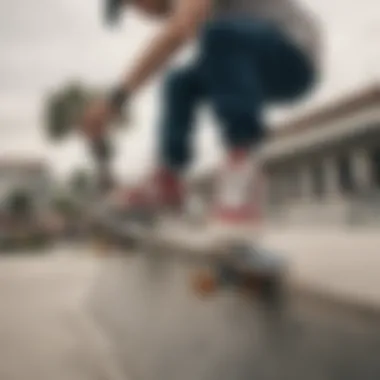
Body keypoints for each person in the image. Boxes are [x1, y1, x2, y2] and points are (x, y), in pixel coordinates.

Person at [82, 0, 321, 236]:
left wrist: (114, 100)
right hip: (254, 58)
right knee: (180, 82)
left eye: (133, 4)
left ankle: (243, 169)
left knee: (219, 36)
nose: (139, 14)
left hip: (293, 53)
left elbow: (175, 34)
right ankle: (168, 182)